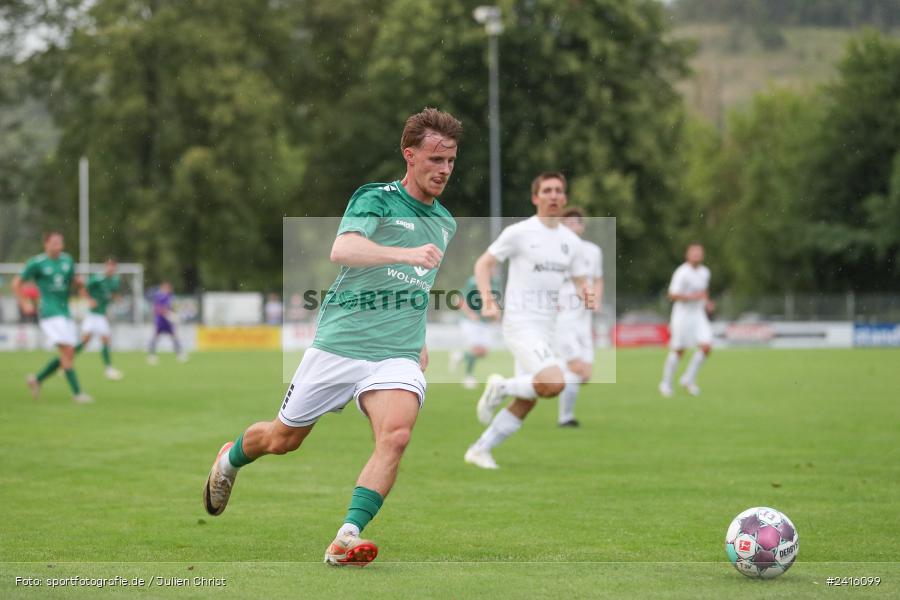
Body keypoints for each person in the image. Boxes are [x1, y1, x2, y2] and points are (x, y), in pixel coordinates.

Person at [202, 108, 462, 567]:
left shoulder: (445, 222)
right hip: (341, 343)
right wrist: (404, 252)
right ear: (409, 155)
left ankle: (346, 537)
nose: (444, 170)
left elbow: (416, 285)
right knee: (283, 439)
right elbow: (343, 248)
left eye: (451, 161)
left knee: (396, 437)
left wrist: (418, 338)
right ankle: (230, 459)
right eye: (435, 159)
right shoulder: (376, 198)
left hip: (396, 353)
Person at [464, 172, 595, 470]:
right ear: (535, 197)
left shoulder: (571, 242)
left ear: (564, 197)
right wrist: (487, 300)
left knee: (532, 396)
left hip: (548, 327)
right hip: (521, 323)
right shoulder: (519, 232)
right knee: (555, 382)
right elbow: (484, 263)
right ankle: (501, 386)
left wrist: (586, 293)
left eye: (558, 190)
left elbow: (579, 279)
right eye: (547, 190)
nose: (553, 195)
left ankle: (479, 450)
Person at [12, 231, 93, 403]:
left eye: (60, 243)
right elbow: (16, 283)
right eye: (55, 243)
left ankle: (36, 380)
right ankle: (78, 394)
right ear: (46, 244)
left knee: (69, 352)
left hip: (65, 313)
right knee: (68, 351)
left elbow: (74, 281)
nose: (58, 246)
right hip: (49, 313)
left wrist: (81, 286)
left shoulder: (67, 260)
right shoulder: (37, 263)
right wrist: (25, 303)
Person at [555, 208, 603, 427]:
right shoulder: (556, 250)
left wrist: (596, 300)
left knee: (584, 375)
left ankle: (509, 385)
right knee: (576, 369)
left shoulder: (593, 251)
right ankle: (565, 418)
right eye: (568, 223)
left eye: (577, 222)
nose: (573, 226)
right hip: (565, 318)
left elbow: (598, 279)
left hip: (585, 319)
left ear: (582, 227)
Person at [659, 243, 713, 397]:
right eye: (694, 253)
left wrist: (707, 302)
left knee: (706, 346)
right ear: (687, 255)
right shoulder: (682, 272)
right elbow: (672, 295)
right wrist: (692, 297)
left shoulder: (705, 272)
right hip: (682, 315)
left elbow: (704, 291)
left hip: (698, 314)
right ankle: (665, 383)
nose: (697, 255)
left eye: (699, 253)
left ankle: (688, 379)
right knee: (679, 350)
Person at [449, 271, 501, 389]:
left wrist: (496, 315)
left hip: (485, 322)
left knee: (483, 352)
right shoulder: (473, 281)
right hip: (470, 321)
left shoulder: (495, 281)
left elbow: (494, 300)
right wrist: (470, 314)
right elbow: (459, 299)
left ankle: (461, 356)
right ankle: (468, 377)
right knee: (476, 349)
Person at [79, 258, 124, 380]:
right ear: (105, 267)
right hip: (92, 315)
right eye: (109, 266)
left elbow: (113, 294)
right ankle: (64, 364)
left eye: (113, 267)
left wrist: (117, 299)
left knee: (106, 340)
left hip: (101, 316)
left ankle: (109, 369)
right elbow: (83, 289)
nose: (111, 269)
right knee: (84, 342)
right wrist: (90, 300)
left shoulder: (115, 280)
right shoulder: (97, 279)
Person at [147, 281, 187, 364]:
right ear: (164, 288)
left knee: (173, 337)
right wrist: (170, 315)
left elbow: (171, 307)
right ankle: (151, 355)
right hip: (161, 320)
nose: (170, 290)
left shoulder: (170, 296)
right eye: (168, 288)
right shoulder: (161, 296)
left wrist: (173, 314)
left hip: (167, 321)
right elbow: (158, 308)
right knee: (157, 337)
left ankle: (179, 354)